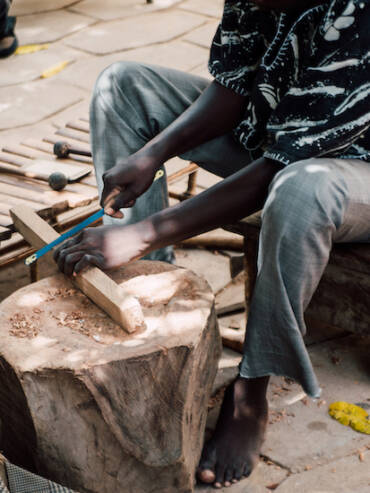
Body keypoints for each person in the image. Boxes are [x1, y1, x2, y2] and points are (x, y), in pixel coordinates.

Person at [55, 0, 370, 488]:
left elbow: (277, 169)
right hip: (281, 135)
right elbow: (235, 87)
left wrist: (141, 233)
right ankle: (150, 310)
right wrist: (151, 153)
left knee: (299, 189)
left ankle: (252, 391)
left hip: (349, 171)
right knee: (123, 86)